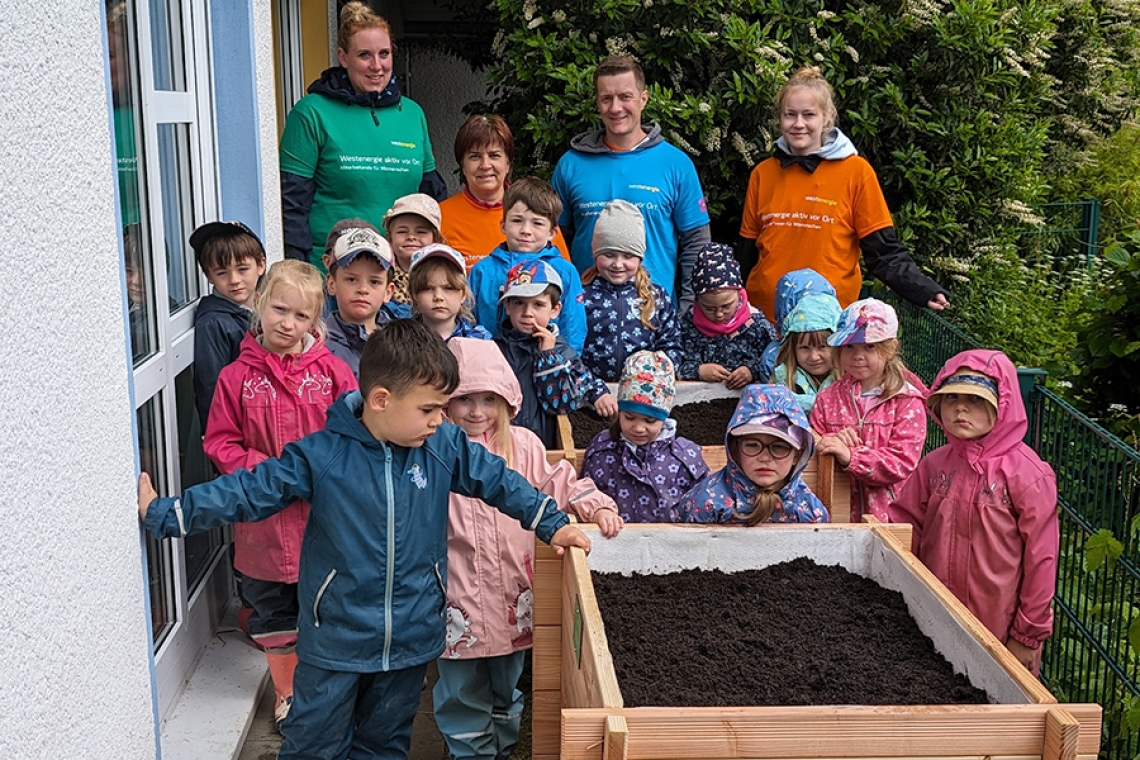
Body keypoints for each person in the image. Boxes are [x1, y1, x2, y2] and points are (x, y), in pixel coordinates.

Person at [137, 320, 592, 760]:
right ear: (380, 399)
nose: (442, 420)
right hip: (336, 640)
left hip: (410, 641)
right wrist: (165, 513)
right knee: (314, 744)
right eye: (429, 409)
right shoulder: (322, 454)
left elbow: (499, 481)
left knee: (385, 745)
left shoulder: (443, 446)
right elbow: (246, 492)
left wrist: (552, 523)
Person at [436, 338, 621, 760]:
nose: (477, 411)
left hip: (510, 591)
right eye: (465, 398)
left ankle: (502, 745)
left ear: (507, 400)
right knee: (461, 689)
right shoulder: (434, 451)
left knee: (507, 681)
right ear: (445, 401)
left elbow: (560, 483)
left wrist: (595, 503)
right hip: (455, 594)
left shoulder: (522, 445)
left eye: (489, 398)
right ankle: (468, 751)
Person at [201, 260, 358, 726]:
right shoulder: (236, 377)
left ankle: (328, 690)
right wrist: (265, 472)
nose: (288, 323)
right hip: (263, 518)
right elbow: (219, 441)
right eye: (279, 309)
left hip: (323, 518)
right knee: (272, 610)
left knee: (326, 605)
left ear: (316, 321)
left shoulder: (331, 374)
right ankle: (287, 693)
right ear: (259, 305)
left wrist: (324, 470)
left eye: (301, 316)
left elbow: (354, 433)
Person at [736, 65, 949, 322]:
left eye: (809, 115)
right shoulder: (763, 173)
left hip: (828, 323)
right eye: (790, 115)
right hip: (764, 318)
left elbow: (882, 251)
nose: (798, 124)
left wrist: (921, 288)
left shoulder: (856, 172)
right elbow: (746, 254)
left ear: (826, 118)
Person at [890, 350, 1058, 674]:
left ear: (1003, 405)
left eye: (976, 399)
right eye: (951, 397)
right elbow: (903, 527)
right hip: (933, 616)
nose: (961, 408)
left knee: (998, 706)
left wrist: (1027, 634)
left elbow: (1042, 559)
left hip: (999, 629)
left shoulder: (1028, 475)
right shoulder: (934, 466)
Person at [279, 1, 447, 271]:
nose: (377, 66)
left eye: (384, 53)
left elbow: (431, 198)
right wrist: (299, 274)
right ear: (343, 58)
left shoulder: (413, 114)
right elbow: (291, 205)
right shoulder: (311, 113)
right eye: (364, 55)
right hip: (333, 275)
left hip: (402, 276)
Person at [552, 55, 711, 312]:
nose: (616, 108)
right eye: (607, 98)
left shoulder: (675, 164)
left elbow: (697, 243)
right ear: (598, 102)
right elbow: (553, 241)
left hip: (656, 322)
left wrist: (688, 309)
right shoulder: (571, 165)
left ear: (643, 99)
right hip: (586, 319)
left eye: (625, 97)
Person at [811, 298, 927, 522]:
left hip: (890, 517)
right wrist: (829, 441)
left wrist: (851, 456)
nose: (857, 356)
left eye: (869, 346)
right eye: (849, 347)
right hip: (837, 513)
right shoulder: (827, 399)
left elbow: (901, 462)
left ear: (890, 349)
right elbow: (814, 445)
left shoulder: (906, 401)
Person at [493, 259, 614, 449]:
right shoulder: (494, 349)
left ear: (555, 309)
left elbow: (562, 402)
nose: (527, 313)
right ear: (507, 306)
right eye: (519, 303)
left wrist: (598, 393)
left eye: (538, 305)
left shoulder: (561, 350)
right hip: (501, 445)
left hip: (543, 446)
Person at [582, 351, 708, 522]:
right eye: (629, 417)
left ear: (665, 418)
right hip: (615, 544)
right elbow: (585, 494)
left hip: (669, 546)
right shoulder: (602, 451)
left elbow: (703, 504)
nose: (639, 428)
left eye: (650, 420)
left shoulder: (686, 456)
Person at [675, 384, 828, 524]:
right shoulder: (706, 503)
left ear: (797, 455)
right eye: (752, 445)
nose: (765, 457)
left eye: (779, 447)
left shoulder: (811, 512)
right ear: (735, 449)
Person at [469, 177, 588, 350]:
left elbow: (573, 326)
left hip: (547, 365)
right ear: (503, 225)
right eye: (517, 221)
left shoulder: (565, 271)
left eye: (537, 223)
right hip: (493, 365)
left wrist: (565, 364)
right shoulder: (483, 270)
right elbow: (469, 320)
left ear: (552, 232)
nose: (525, 230)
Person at [438, 114, 569, 271]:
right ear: (463, 165)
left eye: (494, 155)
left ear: (508, 163)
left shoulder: (537, 209)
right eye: (474, 156)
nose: (485, 165)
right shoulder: (440, 216)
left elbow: (563, 276)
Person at [580, 200, 683, 382]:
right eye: (609, 255)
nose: (618, 264)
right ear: (595, 253)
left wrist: (657, 377)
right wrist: (589, 386)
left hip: (644, 393)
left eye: (628, 256)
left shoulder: (656, 297)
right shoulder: (582, 296)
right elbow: (571, 346)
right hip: (592, 393)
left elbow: (671, 345)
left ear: (640, 257)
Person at [191, 222, 267, 427]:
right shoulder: (213, 323)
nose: (234, 280)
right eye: (222, 273)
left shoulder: (266, 310)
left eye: (242, 269)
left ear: (261, 265)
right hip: (240, 432)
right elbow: (211, 387)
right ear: (208, 276)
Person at [677, 243, 778, 389]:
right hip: (698, 400)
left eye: (726, 306)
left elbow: (776, 360)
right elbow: (671, 363)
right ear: (697, 301)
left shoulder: (757, 325)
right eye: (709, 308)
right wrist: (698, 371)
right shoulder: (687, 325)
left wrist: (752, 371)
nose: (719, 314)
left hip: (748, 402)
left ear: (739, 294)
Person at [323, 220, 397, 377]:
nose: (363, 290)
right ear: (331, 283)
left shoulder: (402, 344)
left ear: (388, 292)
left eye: (374, 282)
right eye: (351, 279)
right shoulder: (317, 345)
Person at [768, 269, 842, 415]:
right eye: (804, 348)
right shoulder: (784, 377)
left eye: (822, 346)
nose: (814, 356)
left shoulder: (848, 377)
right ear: (792, 348)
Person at [408, 243, 491, 341]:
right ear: (414, 294)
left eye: (449, 288)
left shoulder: (479, 339)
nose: (438, 296)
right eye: (428, 288)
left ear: (463, 294)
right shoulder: (401, 339)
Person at [382, 193, 446, 318]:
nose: (411, 237)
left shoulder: (447, 276)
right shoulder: (380, 277)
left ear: (436, 239)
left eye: (421, 231)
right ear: (390, 238)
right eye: (402, 231)